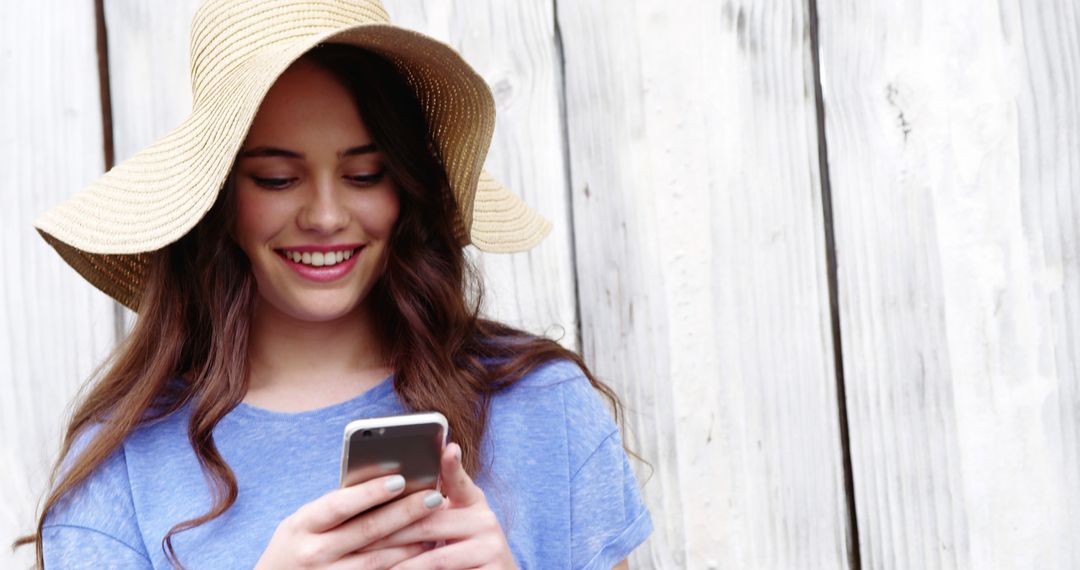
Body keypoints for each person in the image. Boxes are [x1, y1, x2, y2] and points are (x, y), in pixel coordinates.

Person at [17, 0, 652, 568]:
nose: (325, 217)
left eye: (365, 175)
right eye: (276, 179)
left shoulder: (542, 407)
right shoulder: (123, 467)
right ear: (218, 202)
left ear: (405, 187)